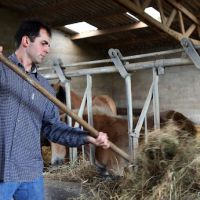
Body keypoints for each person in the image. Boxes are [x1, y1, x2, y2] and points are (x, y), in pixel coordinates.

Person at [0, 20, 110, 200]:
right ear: (26, 41)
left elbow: (53, 129)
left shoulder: (45, 88)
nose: (47, 49)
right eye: (44, 43)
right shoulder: (2, 71)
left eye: (49, 45)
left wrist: (87, 137)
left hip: (31, 174)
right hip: (2, 170)